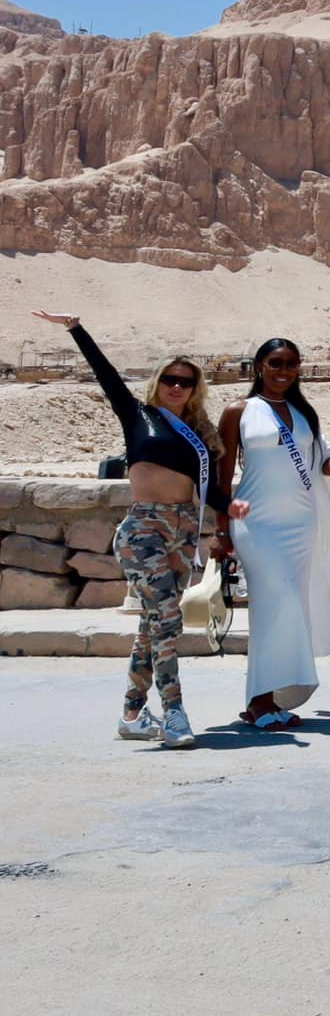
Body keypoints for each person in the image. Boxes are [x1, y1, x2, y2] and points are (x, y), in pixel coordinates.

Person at [32, 310, 241, 749]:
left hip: (184, 534)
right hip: (144, 529)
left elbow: (206, 493)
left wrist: (234, 507)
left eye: (185, 381)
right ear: (158, 382)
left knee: (153, 626)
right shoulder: (137, 415)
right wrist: (76, 329)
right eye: (170, 379)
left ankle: (131, 714)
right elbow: (105, 374)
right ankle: (174, 713)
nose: (177, 387)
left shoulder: (200, 436)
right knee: (168, 619)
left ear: (195, 388)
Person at [217, 338, 330, 729]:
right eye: (275, 363)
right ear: (259, 365)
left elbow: (320, 462)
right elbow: (222, 480)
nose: (283, 370)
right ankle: (258, 701)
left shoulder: (303, 412)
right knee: (273, 606)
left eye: (291, 364)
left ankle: (270, 699)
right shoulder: (239, 411)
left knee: (290, 608)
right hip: (257, 524)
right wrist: (221, 533)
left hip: (300, 524)